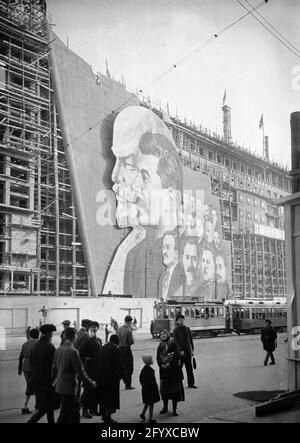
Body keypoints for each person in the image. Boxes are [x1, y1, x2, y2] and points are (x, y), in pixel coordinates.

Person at [103, 106, 183, 298]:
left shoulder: (185, 250)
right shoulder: (132, 254)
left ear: (171, 195)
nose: (116, 178)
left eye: (142, 176)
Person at [52, 327, 96, 423]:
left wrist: (54, 383)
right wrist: (90, 382)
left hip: (60, 386)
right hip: (69, 388)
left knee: (74, 412)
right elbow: (80, 371)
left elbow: (54, 369)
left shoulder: (59, 349)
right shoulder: (73, 351)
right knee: (65, 414)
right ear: (74, 336)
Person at [27, 324, 59, 423]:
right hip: (48, 382)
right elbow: (55, 366)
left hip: (38, 380)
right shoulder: (50, 346)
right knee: (45, 407)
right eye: (52, 334)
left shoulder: (35, 345)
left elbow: (31, 362)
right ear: (49, 334)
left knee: (48, 407)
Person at [157, 329, 184, 416]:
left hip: (173, 371)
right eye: (161, 334)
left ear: (168, 334)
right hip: (164, 371)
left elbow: (177, 355)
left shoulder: (173, 344)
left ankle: (174, 408)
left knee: (174, 391)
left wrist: (169, 363)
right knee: (164, 391)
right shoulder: (160, 346)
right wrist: (161, 365)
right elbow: (158, 357)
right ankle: (165, 407)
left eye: (164, 333)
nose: (163, 335)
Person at [96, 334, 123, 423]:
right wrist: (122, 377)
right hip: (112, 379)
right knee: (110, 399)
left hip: (101, 377)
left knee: (103, 397)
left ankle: (104, 415)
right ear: (116, 341)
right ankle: (108, 417)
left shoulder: (102, 348)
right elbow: (119, 366)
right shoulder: (116, 349)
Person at [79, 321, 102, 418]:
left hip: (97, 366)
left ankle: (93, 409)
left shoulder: (99, 340)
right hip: (88, 366)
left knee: (95, 388)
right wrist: (86, 359)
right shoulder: (85, 340)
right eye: (92, 327)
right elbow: (80, 352)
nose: (94, 329)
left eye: (96, 327)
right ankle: (84, 409)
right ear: (89, 329)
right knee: (88, 388)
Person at [158, 230, 185, 300]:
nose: (163, 251)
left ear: (176, 252)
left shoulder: (183, 275)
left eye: (168, 247)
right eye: (162, 247)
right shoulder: (162, 276)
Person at [18, 328, 39, 415]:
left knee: (32, 386)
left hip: (25, 366)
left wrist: (19, 368)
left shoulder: (25, 344)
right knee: (32, 386)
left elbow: (20, 357)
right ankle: (25, 407)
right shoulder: (37, 344)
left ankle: (37, 405)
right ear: (38, 335)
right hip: (32, 367)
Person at [173, 315, 197, 389]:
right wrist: (180, 350)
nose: (181, 321)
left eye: (182, 319)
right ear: (177, 321)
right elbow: (175, 342)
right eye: (179, 320)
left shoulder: (187, 329)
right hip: (181, 353)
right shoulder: (175, 330)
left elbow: (190, 340)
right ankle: (178, 384)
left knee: (189, 369)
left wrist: (192, 350)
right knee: (179, 369)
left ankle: (191, 384)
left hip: (188, 352)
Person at [139, 355, 160, 423]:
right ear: (149, 361)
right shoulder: (149, 371)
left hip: (145, 390)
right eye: (151, 359)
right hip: (150, 390)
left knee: (147, 403)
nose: (152, 360)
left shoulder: (144, 370)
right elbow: (152, 382)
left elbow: (141, 379)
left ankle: (143, 413)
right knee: (151, 404)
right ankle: (150, 418)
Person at [117, 315, 135, 390]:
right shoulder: (128, 330)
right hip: (126, 349)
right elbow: (131, 342)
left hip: (119, 348)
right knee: (129, 367)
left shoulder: (119, 328)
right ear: (129, 322)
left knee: (122, 366)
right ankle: (128, 384)